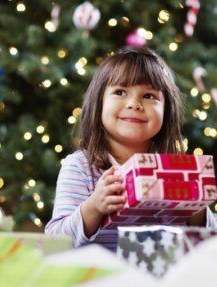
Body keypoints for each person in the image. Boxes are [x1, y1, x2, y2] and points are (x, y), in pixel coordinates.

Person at [45, 46, 217, 252]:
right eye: (120, 92)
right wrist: (93, 208)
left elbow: (209, 246)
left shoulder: (174, 170)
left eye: (149, 96)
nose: (134, 104)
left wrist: (196, 209)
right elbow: (55, 241)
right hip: (99, 278)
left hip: (159, 280)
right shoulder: (81, 167)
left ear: (166, 111)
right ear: (98, 104)